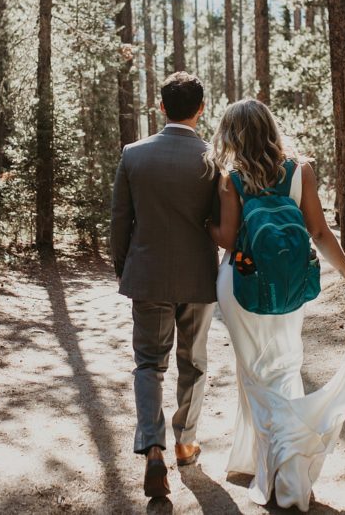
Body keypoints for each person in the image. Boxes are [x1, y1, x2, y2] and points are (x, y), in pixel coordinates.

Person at [205, 98, 345, 512]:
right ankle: (263, 460)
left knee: (255, 377)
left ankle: (289, 473)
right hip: (289, 286)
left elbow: (228, 238)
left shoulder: (231, 178)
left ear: (231, 135)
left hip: (241, 284)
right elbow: (319, 232)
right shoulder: (300, 171)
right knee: (282, 370)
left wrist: (204, 225)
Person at [109, 72, 219, 499]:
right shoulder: (214, 158)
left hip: (148, 276)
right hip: (198, 279)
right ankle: (186, 442)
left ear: (160, 108)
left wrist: (127, 269)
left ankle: (153, 447)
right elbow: (220, 222)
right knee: (193, 362)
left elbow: (121, 221)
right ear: (201, 109)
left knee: (149, 364)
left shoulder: (134, 154)